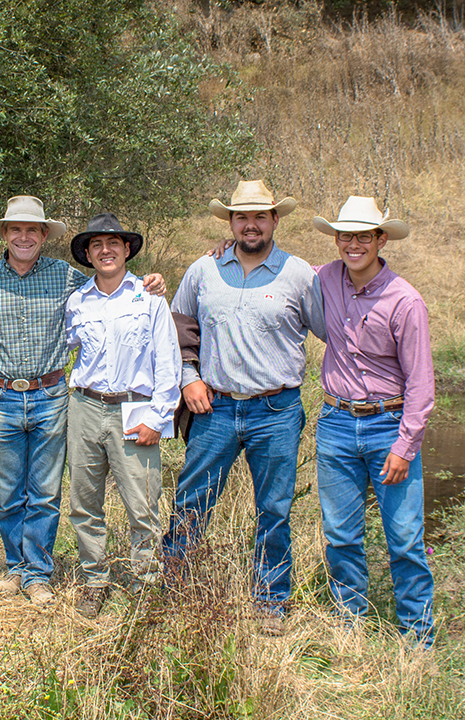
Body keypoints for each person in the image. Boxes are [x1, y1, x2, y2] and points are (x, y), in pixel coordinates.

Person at [0, 196, 165, 606]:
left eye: (33, 230)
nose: (24, 237)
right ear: (5, 234)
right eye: (15, 229)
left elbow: (162, 355)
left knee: (119, 500)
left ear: (45, 235)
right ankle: (37, 571)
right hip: (39, 401)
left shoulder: (92, 286)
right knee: (38, 495)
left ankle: (133, 585)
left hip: (95, 401)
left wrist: (156, 280)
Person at [163, 180, 325, 635]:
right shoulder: (203, 270)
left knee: (273, 508)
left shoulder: (299, 274)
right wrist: (189, 379)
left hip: (276, 411)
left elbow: (332, 330)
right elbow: (178, 329)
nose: (249, 225)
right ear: (230, 222)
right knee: (191, 501)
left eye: (259, 217)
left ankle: (270, 600)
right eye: (241, 217)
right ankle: (176, 590)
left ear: (275, 220)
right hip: (213, 408)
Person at [311, 196, 435, 646]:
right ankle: (350, 624)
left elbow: (421, 384)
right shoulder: (325, 278)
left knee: (404, 538)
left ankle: (417, 637)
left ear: (382, 240)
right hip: (337, 422)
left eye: (364, 236)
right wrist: (225, 249)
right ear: (337, 239)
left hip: (389, 424)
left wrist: (405, 447)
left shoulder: (405, 300)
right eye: (346, 236)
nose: (353, 244)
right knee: (341, 534)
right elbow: (276, 273)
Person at [64, 213, 182, 618]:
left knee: (143, 501)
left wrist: (158, 417)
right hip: (84, 405)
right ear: (88, 254)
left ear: (127, 249)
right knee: (84, 499)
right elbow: (66, 345)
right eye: (96, 245)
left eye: (113, 243)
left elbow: (168, 361)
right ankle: (94, 579)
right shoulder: (77, 301)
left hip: (135, 408)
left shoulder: (149, 297)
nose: (105, 250)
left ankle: (145, 582)